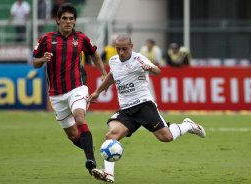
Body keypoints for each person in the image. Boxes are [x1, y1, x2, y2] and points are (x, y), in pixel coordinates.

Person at [88, 34, 206, 183]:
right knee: (111, 136)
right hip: (126, 110)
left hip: (144, 105)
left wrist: (150, 68)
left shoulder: (138, 59)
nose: (121, 52)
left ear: (131, 47)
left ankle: (188, 125)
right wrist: (98, 92)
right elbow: (112, 75)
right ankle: (108, 174)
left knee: (166, 137)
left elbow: (157, 71)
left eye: (125, 49)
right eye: (119, 49)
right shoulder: (113, 60)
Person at [32, 3, 107, 175]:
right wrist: (42, 59)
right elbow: (34, 62)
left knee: (79, 117)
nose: (68, 22)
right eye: (64, 19)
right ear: (57, 20)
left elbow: (94, 53)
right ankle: (90, 147)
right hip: (56, 95)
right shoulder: (46, 39)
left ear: (75, 21)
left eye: (71, 19)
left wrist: (103, 72)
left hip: (77, 88)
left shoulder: (80, 38)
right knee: (73, 136)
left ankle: (91, 160)